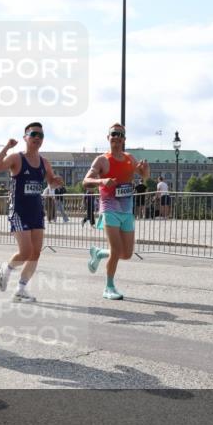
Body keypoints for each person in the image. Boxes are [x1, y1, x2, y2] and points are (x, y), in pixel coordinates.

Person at [0, 122, 64, 303]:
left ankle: (21, 290)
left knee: (35, 253)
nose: (37, 138)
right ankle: (6, 270)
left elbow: (50, 182)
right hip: (19, 211)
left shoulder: (44, 163)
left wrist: (56, 181)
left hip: (36, 211)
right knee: (25, 251)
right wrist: (7, 147)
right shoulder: (17, 158)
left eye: (41, 135)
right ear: (25, 137)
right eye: (33, 134)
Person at [84, 123, 149, 300]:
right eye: (114, 134)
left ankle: (98, 253)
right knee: (116, 248)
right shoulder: (102, 160)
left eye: (120, 134)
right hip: (109, 208)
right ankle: (109, 287)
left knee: (126, 254)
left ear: (124, 139)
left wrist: (145, 171)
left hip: (127, 210)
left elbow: (144, 176)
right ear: (108, 137)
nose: (117, 137)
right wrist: (102, 181)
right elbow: (86, 180)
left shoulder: (130, 158)